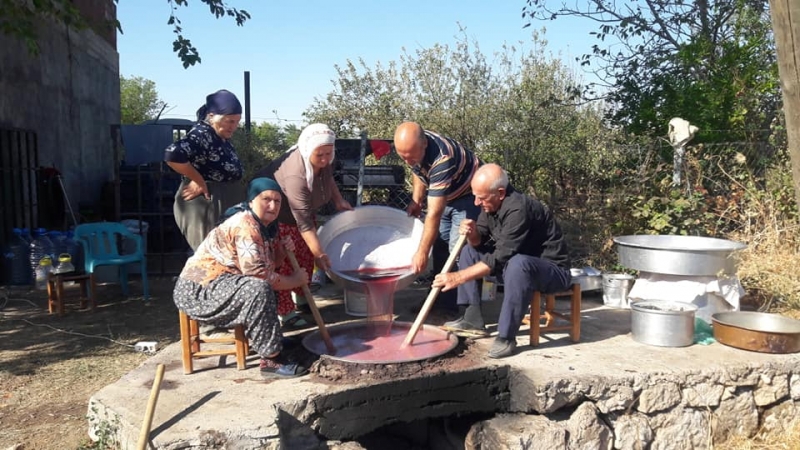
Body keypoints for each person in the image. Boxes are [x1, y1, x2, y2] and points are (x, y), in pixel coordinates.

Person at [172, 177, 310, 378]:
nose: (272, 205)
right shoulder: (245, 225)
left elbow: (269, 266)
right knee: (258, 288)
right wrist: (295, 281)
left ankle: (272, 340)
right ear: (252, 200)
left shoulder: (267, 227)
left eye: (277, 201)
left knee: (265, 286)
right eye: (266, 199)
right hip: (197, 290)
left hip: (224, 283)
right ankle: (271, 359)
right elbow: (258, 274)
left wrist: (280, 251)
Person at [432, 163, 572, 359]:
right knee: (468, 252)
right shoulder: (490, 205)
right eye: (475, 196)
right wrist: (472, 233)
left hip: (552, 271)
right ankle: (471, 319)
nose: (476, 203)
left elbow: (501, 257)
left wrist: (458, 277)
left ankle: (506, 337)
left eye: (481, 198)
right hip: (515, 264)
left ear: (500, 192)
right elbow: (479, 241)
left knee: (518, 264)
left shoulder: (518, 209)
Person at [255, 123, 353, 327]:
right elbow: (304, 223)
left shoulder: (324, 160)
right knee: (284, 263)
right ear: (308, 150)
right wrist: (320, 253)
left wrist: (338, 200)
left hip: (304, 216)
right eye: (320, 155)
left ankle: (302, 299)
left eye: (329, 153)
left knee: (305, 259)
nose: (325, 159)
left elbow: (328, 178)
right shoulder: (295, 175)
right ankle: (285, 313)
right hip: (280, 219)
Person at [393, 121, 482, 313]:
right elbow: (417, 169)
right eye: (403, 157)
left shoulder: (442, 159)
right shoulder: (414, 148)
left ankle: (468, 311)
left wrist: (421, 253)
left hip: (469, 196)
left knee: (458, 251)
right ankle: (441, 302)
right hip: (447, 194)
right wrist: (416, 200)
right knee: (440, 246)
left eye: (411, 156)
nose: (407, 161)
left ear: (424, 144)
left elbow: (433, 213)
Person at [165, 89, 245, 251]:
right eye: (229, 121)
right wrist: (198, 180)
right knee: (208, 255)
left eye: (237, 122)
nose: (234, 127)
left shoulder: (218, 135)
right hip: (207, 202)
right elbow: (172, 154)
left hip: (221, 200)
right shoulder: (202, 134)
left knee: (224, 254)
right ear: (211, 116)